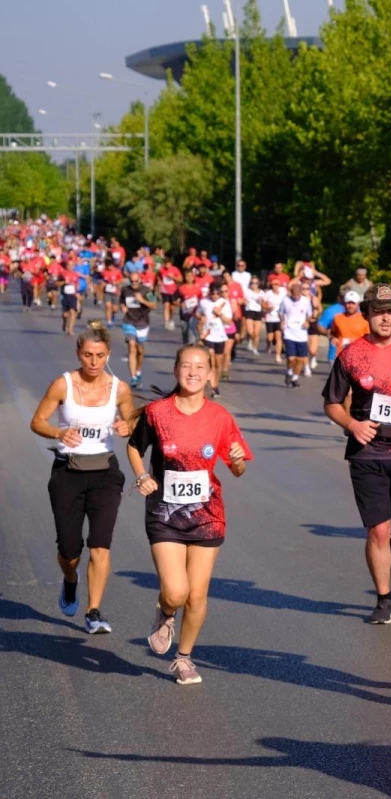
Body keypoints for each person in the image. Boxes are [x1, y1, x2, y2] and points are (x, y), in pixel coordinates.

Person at [128, 344, 253, 684]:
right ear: (176, 370)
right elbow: (135, 447)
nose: (194, 372)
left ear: (211, 374)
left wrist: (238, 459)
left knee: (197, 594)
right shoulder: (157, 413)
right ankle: (165, 611)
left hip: (207, 515)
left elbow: (237, 468)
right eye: (187, 366)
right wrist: (142, 476)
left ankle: (183, 659)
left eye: (201, 367)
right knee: (176, 591)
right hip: (164, 513)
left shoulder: (220, 417)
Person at [323, 284, 391, 624]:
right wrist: (352, 425)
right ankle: (383, 598)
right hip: (366, 454)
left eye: (390, 311)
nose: (384, 318)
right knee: (377, 531)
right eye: (377, 311)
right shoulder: (352, 354)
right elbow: (331, 402)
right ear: (368, 314)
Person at [29, 321, 135, 633]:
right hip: (68, 472)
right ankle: (70, 579)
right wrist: (58, 431)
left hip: (105, 473)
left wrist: (127, 427)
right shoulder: (62, 385)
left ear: (108, 355)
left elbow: (133, 424)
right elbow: (37, 421)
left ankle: (94, 611)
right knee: (70, 551)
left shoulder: (120, 389)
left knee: (101, 545)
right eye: (88, 355)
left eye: (100, 355)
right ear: (78, 353)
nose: (93, 362)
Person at [119, 271, 156, 388]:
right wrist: (123, 307)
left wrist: (142, 300)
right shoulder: (125, 290)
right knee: (131, 346)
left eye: (136, 281)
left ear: (140, 280)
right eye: (132, 281)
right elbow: (122, 301)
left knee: (140, 351)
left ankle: (138, 372)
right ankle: (133, 377)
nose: (134, 283)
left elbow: (154, 305)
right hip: (129, 321)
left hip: (143, 322)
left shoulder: (146, 290)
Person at [197, 280, 234, 398]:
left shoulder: (225, 303)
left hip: (220, 336)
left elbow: (229, 321)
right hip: (208, 335)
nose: (215, 296)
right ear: (209, 293)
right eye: (213, 293)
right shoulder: (203, 302)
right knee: (211, 360)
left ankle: (215, 385)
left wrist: (219, 313)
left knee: (218, 364)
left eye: (217, 294)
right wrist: (201, 318)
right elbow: (198, 313)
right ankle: (209, 385)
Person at [280, 281, 316, 387]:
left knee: (300, 359)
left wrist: (307, 321)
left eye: (297, 295)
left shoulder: (305, 301)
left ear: (301, 293)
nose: (295, 297)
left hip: (301, 334)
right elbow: (281, 313)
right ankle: (289, 372)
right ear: (291, 293)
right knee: (291, 358)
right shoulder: (285, 301)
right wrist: (282, 321)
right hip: (289, 332)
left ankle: (295, 378)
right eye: (293, 294)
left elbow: (309, 314)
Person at [329, 290, 370, 355]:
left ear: (358, 304)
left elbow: (370, 338)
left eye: (353, 303)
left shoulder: (365, 319)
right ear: (344, 303)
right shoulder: (337, 318)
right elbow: (332, 333)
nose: (350, 306)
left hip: (359, 355)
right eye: (348, 303)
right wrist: (333, 338)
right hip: (340, 355)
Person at [177, 268, 204, 345]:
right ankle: (186, 347)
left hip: (194, 314)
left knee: (192, 333)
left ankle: (191, 346)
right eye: (187, 276)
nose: (189, 278)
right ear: (185, 277)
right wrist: (180, 304)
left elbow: (201, 300)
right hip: (184, 314)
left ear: (193, 277)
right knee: (185, 332)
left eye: (191, 276)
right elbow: (175, 300)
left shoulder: (197, 288)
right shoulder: (181, 288)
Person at [262, 280, 287, 363]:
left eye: (277, 284)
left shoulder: (283, 292)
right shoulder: (268, 294)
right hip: (270, 317)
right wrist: (268, 307)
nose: (275, 286)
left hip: (279, 318)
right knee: (270, 337)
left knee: (278, 338)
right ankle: (268, 344)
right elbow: (263, 305)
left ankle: (278, 355)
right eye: (273, 284)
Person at [242, 275, 266, 354]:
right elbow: (243, 299)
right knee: (250, 331)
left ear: (258, 284)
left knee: (256, 333)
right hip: (249, 311)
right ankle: (250, 340)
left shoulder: (262, 293)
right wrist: (244, 302)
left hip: (258, 312)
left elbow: (264, 305)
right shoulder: (247, 291)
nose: (254, 285)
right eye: (252, 283)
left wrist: (261, 301)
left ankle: (255, 348)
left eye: (256, 283)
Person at [158, 260, 183, 330]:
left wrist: (173, 277)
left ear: (171, 264)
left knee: (172, 308)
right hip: (164, 291)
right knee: (166, 306)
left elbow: (180, 279)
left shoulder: (175, 269)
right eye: (166, 264)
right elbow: (158, 276)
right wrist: (159, 281)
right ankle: (166, 323)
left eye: (168, 264)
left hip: (173, 290)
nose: (167, 265)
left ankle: (171, 319)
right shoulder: (161, 269)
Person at [57, 267, 83, 337]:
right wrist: (64, 282)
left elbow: (78, 284)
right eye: (69, 265)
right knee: (65, 315)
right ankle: (64, 322)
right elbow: (57, 283)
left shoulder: (75, 274)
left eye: (72, 265)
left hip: (73, 296)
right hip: (64, 296)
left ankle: (70, 330)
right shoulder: (62, 274)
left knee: (73, 312)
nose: (70, 266)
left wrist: (77, 291)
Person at [101, 259, 123, 327]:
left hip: (115, 292)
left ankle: (112, 315)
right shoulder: (104, 272)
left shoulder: (117, 271)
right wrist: (103, 283)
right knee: (108, 306)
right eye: (107, 266)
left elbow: (121, 279)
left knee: (115, 309)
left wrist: (116, 282)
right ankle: (109, 322)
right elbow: (101, 279)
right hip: (107, 292)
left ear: (112, 265)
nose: (109, 267)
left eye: (110, 266)